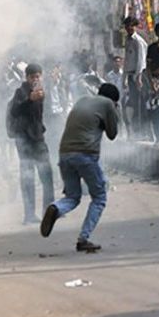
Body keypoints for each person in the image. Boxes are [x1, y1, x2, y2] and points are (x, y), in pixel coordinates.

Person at [40, 83, 120, 252]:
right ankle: (83, 238)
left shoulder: (82, 100)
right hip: (86, 154)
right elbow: (112, 134)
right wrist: (114, 111)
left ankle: (56, 208)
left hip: (65, 153)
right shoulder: (107, 105)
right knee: (99, 197)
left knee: (72, 196)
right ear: (113, 100)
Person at [8, 63, 55, 224]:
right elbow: (15, 110)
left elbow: (42, 115)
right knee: (28, 178)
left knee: (47, 175)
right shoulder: (20, 92)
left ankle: (50, 210)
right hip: (24, 140)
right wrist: (29, 99)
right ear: (27, 78)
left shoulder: (41, 92)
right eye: (33, 76)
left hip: (38, 138)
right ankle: (29, 215)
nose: (36, 79)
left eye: (38, 76)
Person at [122, 17, 147, 139]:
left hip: (138, 76)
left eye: (131, 26)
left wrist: (138, 77)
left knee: (139, 104)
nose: (128, 28)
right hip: (131, 75)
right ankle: (135, 130)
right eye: (127, 26)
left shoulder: (138, 41)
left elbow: (141, 61)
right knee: (132, 103)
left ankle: (141, 131)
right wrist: (125, 77)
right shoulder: (127, 40)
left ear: (135, 26)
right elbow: (127, 60)